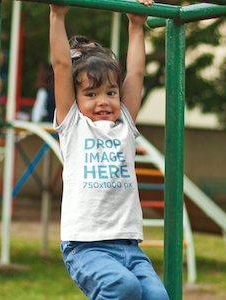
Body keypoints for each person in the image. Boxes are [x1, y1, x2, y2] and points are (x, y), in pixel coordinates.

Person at [50, 1, 170, 300]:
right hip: (86, 246)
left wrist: (136, 24)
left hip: (129, 245)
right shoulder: (73, 125)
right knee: (121, 287)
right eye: (91, 94)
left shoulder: (125, 123)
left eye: (110, 93)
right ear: (75, 99)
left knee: (158, 296)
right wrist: (57, 14)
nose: (103, 101)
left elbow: (137, 74)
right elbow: (62, 66)